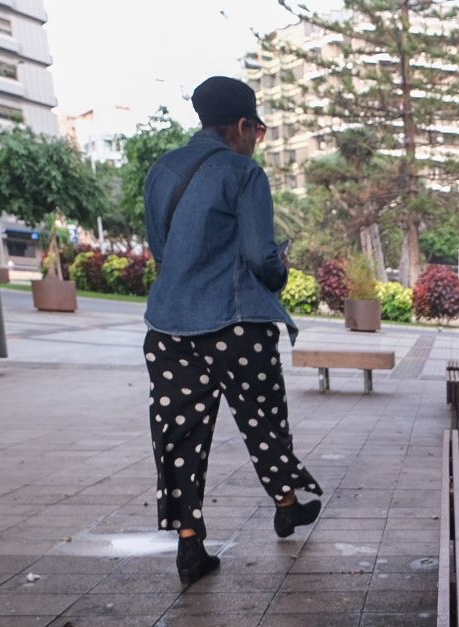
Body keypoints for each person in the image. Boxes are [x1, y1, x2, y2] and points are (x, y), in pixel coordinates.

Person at [142, 75, 321, 586]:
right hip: (237, 323)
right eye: (257, 132)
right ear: (243, 126)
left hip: (169, 326)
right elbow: (259, 257)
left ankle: (190, 545)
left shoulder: (162, 169)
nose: (254, 142)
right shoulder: (244, 174)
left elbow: (161, 247)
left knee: (179, 435)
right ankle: (285, 505)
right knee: (262, 421)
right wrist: (281, 271)